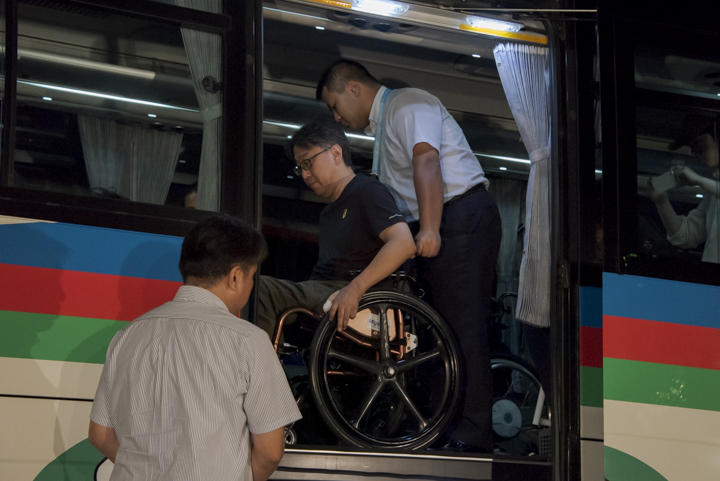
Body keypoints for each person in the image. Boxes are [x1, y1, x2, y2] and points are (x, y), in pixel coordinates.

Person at [317, 59, 502, 452]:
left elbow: (426, 159)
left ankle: (473, 435)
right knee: (440, 333)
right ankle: (445, 426)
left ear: (353, 87)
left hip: (459, 214)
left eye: (335, 105)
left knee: (463, 329)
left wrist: (431, 227)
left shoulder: (407, 103)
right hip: (440, 218)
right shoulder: (383, 129)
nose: (337, 115)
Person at [88, 215, 301, 481]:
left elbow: (100, 435)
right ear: (235, 276)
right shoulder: (249, 340)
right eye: (252, 276)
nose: (250, 286)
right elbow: (270, 451)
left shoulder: (127, 336)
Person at [257, 117, 416, 337]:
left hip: (359, 290)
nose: (304, 174)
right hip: (329, 288)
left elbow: (404, 243)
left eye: (308, 163)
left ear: (335, 154)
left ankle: (261, 368)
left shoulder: (367, 191)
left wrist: (355, 288)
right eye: (300, 167)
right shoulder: (328, 213)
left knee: (262, 289)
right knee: (252, 288)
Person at [647, 115, 720, 263]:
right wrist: (662, 202)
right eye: (691, 147)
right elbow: (685, 237)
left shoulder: (713, 189)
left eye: (699, 144)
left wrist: (699, 180)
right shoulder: (713, 195)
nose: (694, 152)